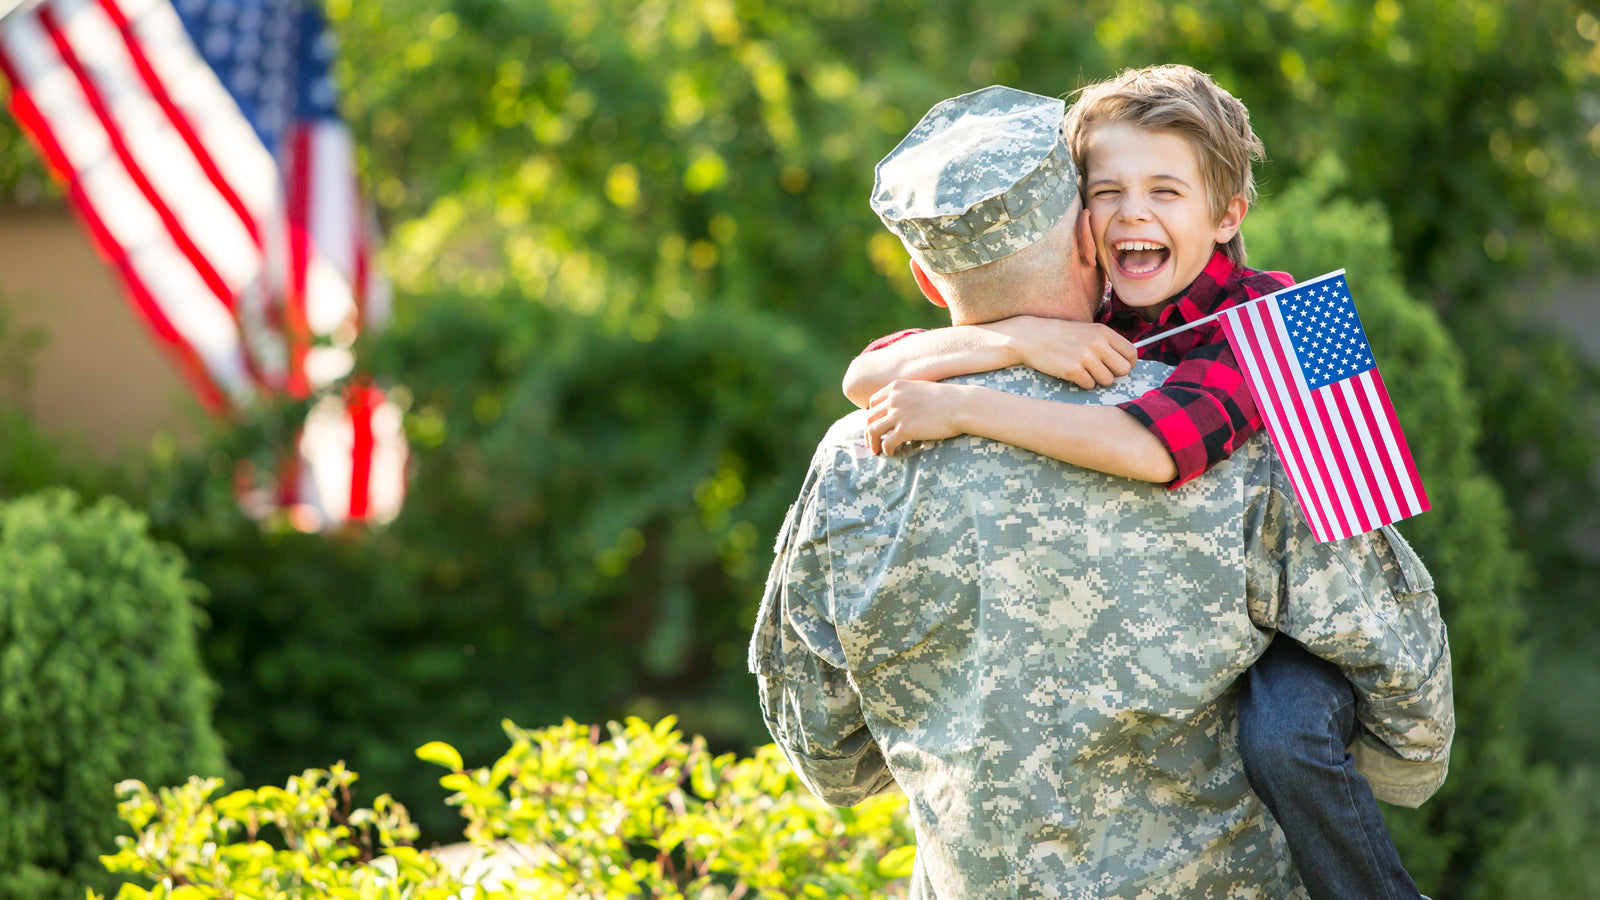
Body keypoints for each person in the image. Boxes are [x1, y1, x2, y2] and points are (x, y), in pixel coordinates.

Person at [750, 85, 1453, 899]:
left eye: (1164, 192)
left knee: (1290, 730)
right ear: (1084, 232)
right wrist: (1023, 340)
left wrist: (972, 396)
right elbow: (1404, 688)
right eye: (1105, 195)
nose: (1130, 217)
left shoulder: (1272, 336)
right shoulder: (1124, 335)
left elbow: (830, 761)